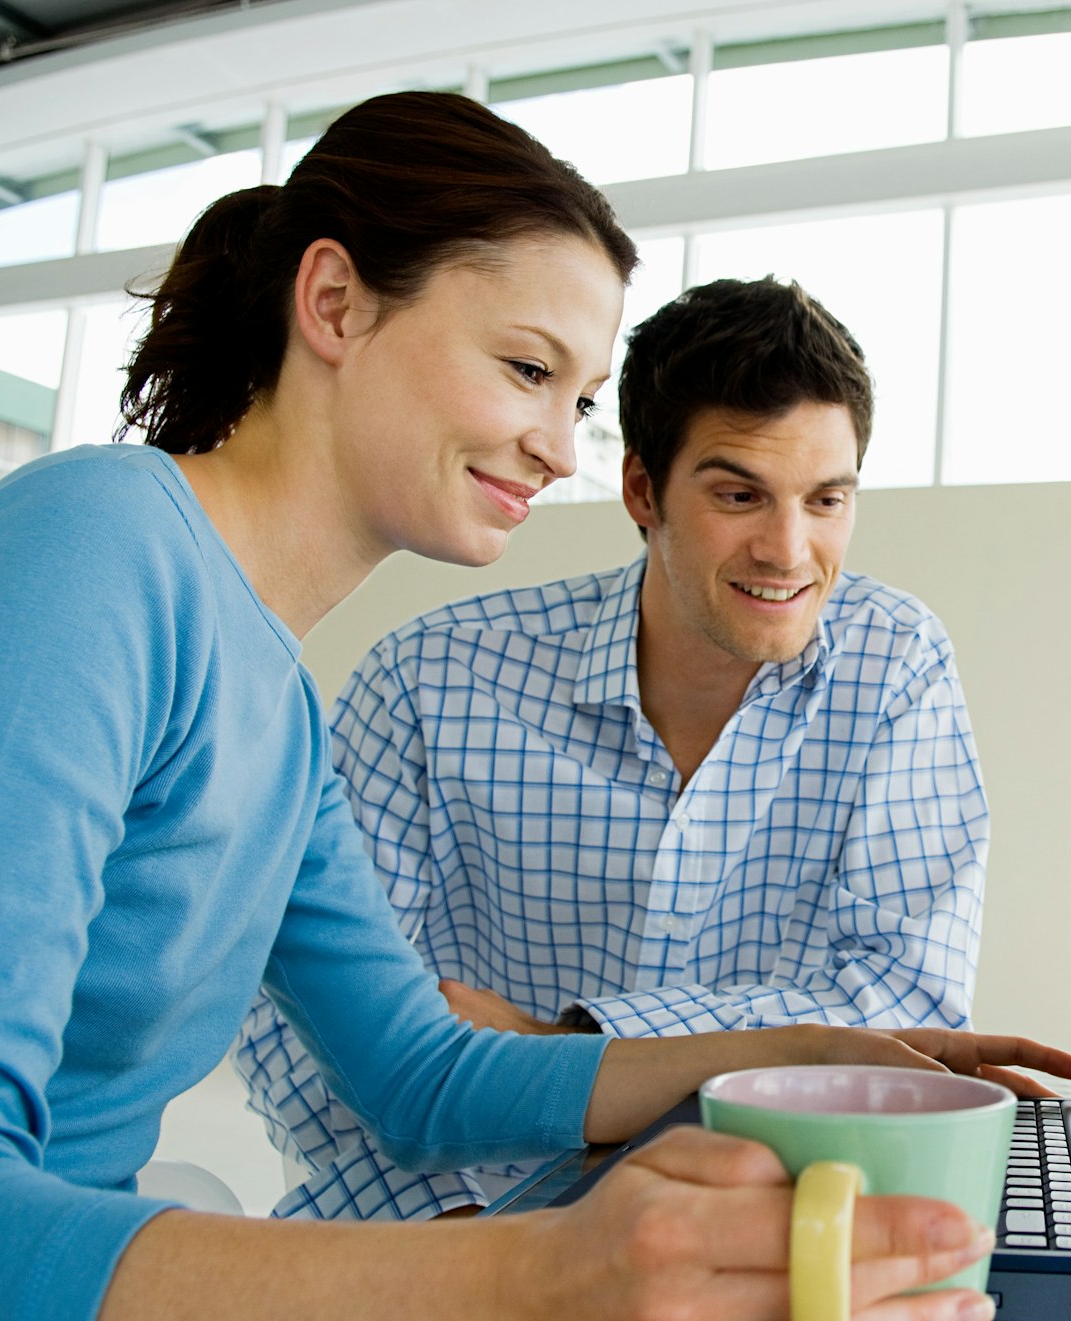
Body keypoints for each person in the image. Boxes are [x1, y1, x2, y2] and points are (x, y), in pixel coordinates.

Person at [0, 91, 1071, 1321]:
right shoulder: (89, 555)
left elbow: (421, 1071)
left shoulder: (276, 700)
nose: (557, 447)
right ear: (333, 304)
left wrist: (792, 1052)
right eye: (524, 368)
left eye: (580, 399)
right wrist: (536, 1277)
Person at [237, 275, 991, 1221]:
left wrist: (570, 1043)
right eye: (739, 494)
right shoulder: (429, 680)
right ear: (643, 488)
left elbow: (904, 1012)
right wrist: (476, 1258)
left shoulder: (896, 666)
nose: (789, 550)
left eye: (826, 500)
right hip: (455, 1234)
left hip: (756, 1235)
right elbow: (297, 1032)